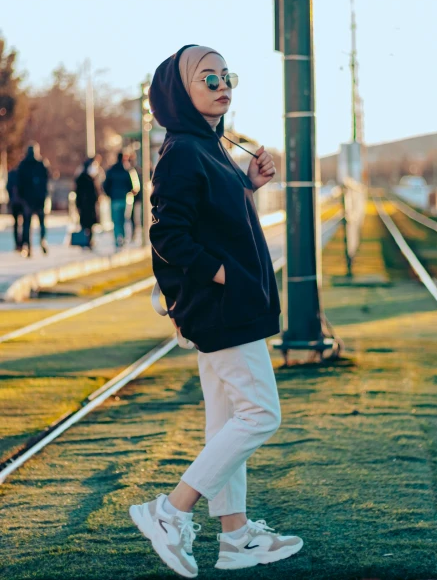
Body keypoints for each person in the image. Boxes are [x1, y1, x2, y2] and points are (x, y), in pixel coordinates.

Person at [129, 45, 303, 577]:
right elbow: (167, 236)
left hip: (229, 308)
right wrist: (224, 276)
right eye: (208, 78)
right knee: (260, 414)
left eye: (227, 76)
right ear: (181, 92)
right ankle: (170, 511)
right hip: (224, 311)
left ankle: (236, 538)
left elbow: (211, 216)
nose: (222, 84)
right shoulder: (183, 150)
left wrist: (247, 184)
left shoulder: (208, 146)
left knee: (227, 420)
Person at [17, 143, 50, 258]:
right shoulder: (40, 164)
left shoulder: (23, 165)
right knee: (40, 223)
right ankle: (42, 240)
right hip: (37, 199)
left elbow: (19, 183)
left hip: (28, 200)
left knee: (27, 224)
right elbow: (46, 182)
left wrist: (22, 198)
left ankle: (28, 246)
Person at [103, 152, 138, 248]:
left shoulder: (111, 170)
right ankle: (122, 238)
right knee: (123, 220)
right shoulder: (126, 171)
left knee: (116, 221)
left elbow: (106, 185)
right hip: (124, 198)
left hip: (114, 199)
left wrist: (110, 194)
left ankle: (117, 239)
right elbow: (131, 185)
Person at [75, 158, 99, 249]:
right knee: (89, 225)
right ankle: (88, 241)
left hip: (84, 205)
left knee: (84, 224)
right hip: (89, 205)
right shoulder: (90, 179)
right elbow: (95, 193)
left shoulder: (80, 178)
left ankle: (85, 241)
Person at [6, 167, 23, 251]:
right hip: (21, 203)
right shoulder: (23, 173)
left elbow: (8, 187)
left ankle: (18, 243)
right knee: (22, 223)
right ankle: (21, 242)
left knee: (17, 223)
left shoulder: (12, 174)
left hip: (15, 202)